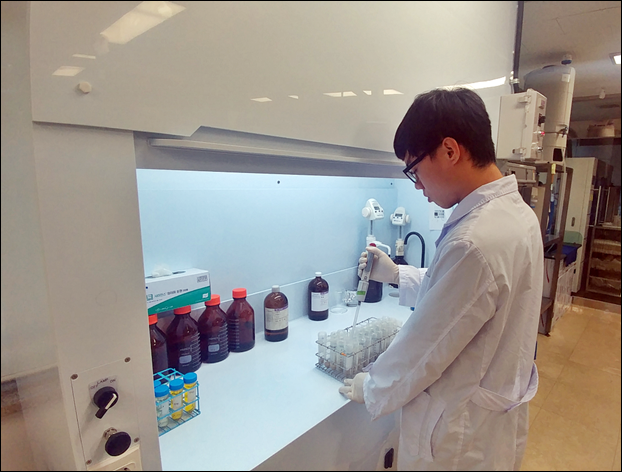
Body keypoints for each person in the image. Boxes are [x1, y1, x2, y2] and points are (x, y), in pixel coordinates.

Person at [338, 87, 543, 471]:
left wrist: (373, 386)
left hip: (461, 437)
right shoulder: (515, 214)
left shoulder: (475, 240)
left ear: (450, 150)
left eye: (414, 169)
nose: (417, 185)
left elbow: (425, 346)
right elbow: (465, 295)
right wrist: (397, 274)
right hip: (490, 418)